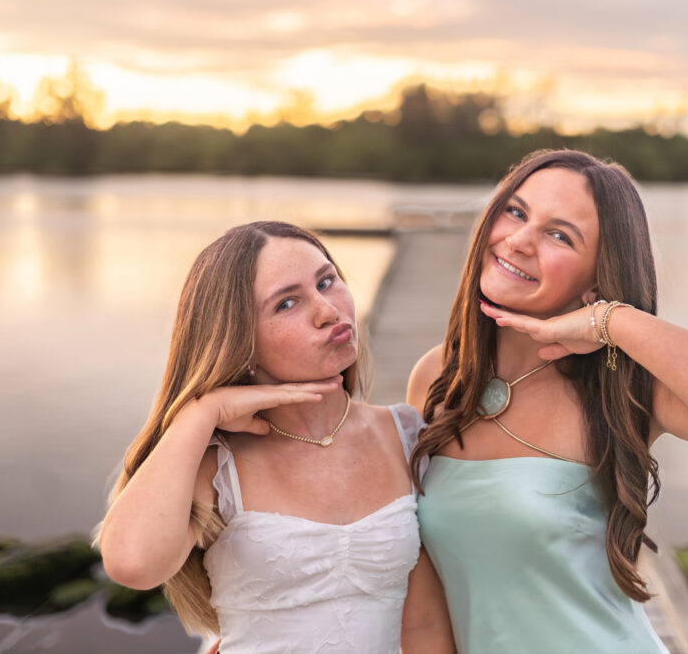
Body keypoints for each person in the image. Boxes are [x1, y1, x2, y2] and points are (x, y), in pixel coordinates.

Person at [405, 149, 688, 653]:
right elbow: (423, 581)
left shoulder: (621, 386)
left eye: (559, 235)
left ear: (598, 276)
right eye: (516, 211)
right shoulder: (439, 375)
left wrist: (612, 323)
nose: (518, 241)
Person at [97, 221, 444, 654]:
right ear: (239, 341)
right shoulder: (217, 463)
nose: (328, 310)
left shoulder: (406, 435)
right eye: (287, 304)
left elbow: (426, 624)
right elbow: (132, 563)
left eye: (327, 281)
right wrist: (199, 414)